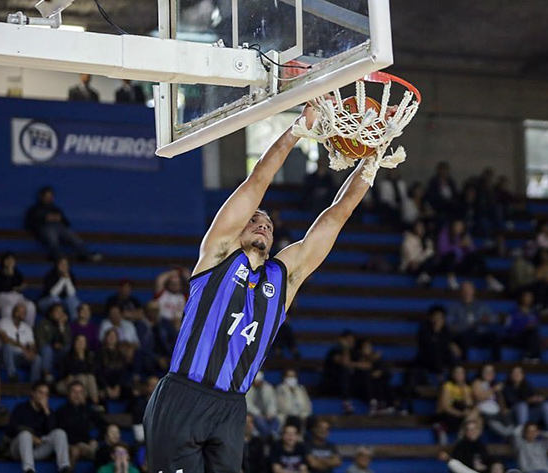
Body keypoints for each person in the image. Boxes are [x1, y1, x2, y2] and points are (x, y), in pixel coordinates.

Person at [144, 105, 376, 473]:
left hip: (232, 407)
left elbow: (338, 214)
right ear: (236, 228)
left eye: (267, 222)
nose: (262, 223)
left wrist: (372, 159)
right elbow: (257, 182)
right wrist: (298, 130)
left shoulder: (284, 279)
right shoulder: (218, 253)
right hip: (183, 395)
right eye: (253, 218)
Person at [7, 381, 71, 473]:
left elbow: (52, 430)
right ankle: (29, 470)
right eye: (40, 392)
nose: (43, 396)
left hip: (38, 448)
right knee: (25, 435)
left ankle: (64, 467)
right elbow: (11, 429)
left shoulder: (48, 411)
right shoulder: (21, 408)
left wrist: (46, 411)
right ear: (33, 393)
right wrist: (32, 438)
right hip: (19, 448)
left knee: (60, 433)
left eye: (46, 394)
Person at [25, 186, 102, 262]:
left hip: (59, 228)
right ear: (41, 196)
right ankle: (58, 257)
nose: (49, 198)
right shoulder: (34, 209)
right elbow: (29, 224)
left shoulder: (55, 208)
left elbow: (67, 223)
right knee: (52, 238)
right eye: (47, 196)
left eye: (50, 196)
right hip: (45, 229)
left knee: (74, 238)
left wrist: (59, 219)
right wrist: (45, 219)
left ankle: (86, 255)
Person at [436, 220, 504, 292]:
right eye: (457, 225)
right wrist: (458, 245)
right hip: (447, 264)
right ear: (452, 226)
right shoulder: (445, 234)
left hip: (461, 265)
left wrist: (469, 246)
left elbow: (472, 252)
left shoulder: (465, 235)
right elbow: (443, 251)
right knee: (451, 255)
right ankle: (451, 280)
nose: (459, 228)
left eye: (461, 226)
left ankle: (490, 280)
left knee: (477, 255)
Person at [446, 282, 502, 361]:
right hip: (464, 333)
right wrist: (457, 327)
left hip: (481, 334)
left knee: (495, 337)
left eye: (469, 289)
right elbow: (449, 323)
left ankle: (497, 364)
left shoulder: (481, 305)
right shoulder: (454, 307)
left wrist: (488, 319)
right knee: (463, 339)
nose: (467, 292)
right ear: (461, 292)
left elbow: (495, 318)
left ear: (473, 291)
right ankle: (464, 365)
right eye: (464, 290)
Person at [56, 380, 106, 466]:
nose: (77, 395)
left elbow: (103, 425)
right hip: (68, 445)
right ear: (68, 394)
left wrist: (96, 440)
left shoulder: (87, 410)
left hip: (85, 445)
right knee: (75, 451)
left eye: (80, 392)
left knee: (104, 452)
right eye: (74, 392)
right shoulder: (61, 412)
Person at [502, 366, 548, 434]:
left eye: (519, 372)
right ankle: (523, 436)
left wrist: (538, 399)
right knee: (522, 406)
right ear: (510, 375)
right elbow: (511, 402)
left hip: (529, 414)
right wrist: (528, 400)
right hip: (513, 415)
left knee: (546, 405)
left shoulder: (527, 385)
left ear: (523, 375)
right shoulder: (506, 386)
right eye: (514, 372)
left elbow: (536, 396)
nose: (517, 374)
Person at [0, 303, 42, 382]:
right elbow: (4, 339)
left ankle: (34, 383)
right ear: (13, 312)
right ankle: (12, 375)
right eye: (19, 311)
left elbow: (32, 344)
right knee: (8, 347)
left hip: (19, 356)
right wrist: (23, 348)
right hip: (1, 355)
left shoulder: (27, 327)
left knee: (37, 358)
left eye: (23, 312)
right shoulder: (3, 322)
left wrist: (31, 352)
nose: (21, 314)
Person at [413, 305, 459, 384]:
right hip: (426, 357)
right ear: (431, 318)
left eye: (440, 317)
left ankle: (455, 378)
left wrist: (452, 345)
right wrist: (436, 333)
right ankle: (440, 374)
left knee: (451, 355)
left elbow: (447, 343)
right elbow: (425, 345)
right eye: (436, 316)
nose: (438, 319)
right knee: (435, 350)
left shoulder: (445, 329)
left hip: (442, 357)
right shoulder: (425, 328)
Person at [436, 366, 479, 445]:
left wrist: (464, 391)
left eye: (462, 372)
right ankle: (461, 439)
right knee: (470, 419)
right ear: (452, 374)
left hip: (463, 414)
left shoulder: (468, 387)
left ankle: (463, 439)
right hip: (450, 414)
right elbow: (445, 407)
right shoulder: (448, 386)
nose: (459, 375)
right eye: (457, 372)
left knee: (476, 414)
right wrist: (460, 414)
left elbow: (469, 405)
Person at [0, 252, 37, 326]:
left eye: (12, 260)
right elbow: (0, 288)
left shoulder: (18, 274)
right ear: (3, 261)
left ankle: (28, 330)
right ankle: (9, 330)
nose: (10, 262)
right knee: (8, 309)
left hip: (16, 297)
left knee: (31, 306)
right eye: (8, 260)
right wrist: (9, 277)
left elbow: (20, 287)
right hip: (1, 297)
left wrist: (19, 287)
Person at [471, 364, 513, 439]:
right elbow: (478, 397)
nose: (489, 373)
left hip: (497, 412)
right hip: (485, 414)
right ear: (481, 373)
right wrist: (493, 390)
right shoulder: (477, 382)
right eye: (486, 371)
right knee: (506, 432)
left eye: (491, 371)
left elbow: (501, 403)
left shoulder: (495, 384)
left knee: (510, 423)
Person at [57, 334, 100, 406]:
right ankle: (82, 403)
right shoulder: (68, 356)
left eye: (83, 342)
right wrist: (80, 359)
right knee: (82, 378)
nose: (81, 344)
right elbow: (67, 372)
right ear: (74, 343)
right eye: (78, 341)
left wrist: (82, 358)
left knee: (90, 377)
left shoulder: (89, 357)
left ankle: (95, 402)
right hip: (65, 383)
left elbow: (91, 371)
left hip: (84, 383)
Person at [322, 330, 357, 414]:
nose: (351, 342)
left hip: (352, 384)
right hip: (333, 384)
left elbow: (367, 365)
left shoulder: (355, 352)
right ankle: (346, 402)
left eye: (352, 340)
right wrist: (345, 348)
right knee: (344, 372)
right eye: (348, 339)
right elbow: (345, 363)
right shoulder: (335, 351)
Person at [355, 339, 394, 415]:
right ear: (360, 349)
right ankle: (375, 403)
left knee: (381, 379)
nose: (368, 349)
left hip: (376, 385)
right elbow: (364, 366)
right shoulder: (356, 357)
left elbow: (386, 370)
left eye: (370, 347)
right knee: (368, 377)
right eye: (366, 347)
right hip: (360, 387)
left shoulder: (376, 360)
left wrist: (380, 371)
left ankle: (384, 404)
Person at [35, 303, 72, 383]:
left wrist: (61, 327)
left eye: (61, 312)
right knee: (47, 349)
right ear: (51, 313)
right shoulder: (43, 323)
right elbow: (39, 340)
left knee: (67, 348)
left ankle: (65, 376)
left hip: (58, 353)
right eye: (57, 311)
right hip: (45, 351)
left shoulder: (65, 325)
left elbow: (67, 342)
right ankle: (46, 374)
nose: (59, 314)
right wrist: (52, 346)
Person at [505, 290, 542, 361]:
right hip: (516, 337)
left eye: (530, 297)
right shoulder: (514, 312)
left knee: (533, 332)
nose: (528, 299)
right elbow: (508, 327)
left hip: (530, 337)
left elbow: (535, 326)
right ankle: (531, 355)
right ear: (522, 298)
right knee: (530, 332)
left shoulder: (534, 313)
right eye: (527, 296)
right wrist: (524, 327)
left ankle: (532, 356)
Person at [97, 328, 132, 400]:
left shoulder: (121, 355)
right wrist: (106, 387)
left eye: (114, 336)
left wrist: (118, 386)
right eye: (109, 336)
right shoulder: (100, 354)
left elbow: (123, 372)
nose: (111, 338)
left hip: (118, 384)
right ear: (106, 338)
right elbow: (99, 372)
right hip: (104, 384)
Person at [399, 220, 436, 286]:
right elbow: (410, 256)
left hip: (423, 263)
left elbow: (430, 253)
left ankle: (424, 277)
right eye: (418, 227)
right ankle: (424, 277)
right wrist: (422, 257)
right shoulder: (408, 240)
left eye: (422, 228)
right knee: (417, 265)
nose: (420, 230)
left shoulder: (427, 240)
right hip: (411, 264)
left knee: (431, 261)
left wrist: (423, 257)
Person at [246, 371, 280, 439]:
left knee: (275, 420)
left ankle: (271, 434)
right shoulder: (248, 388)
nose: (257, 383)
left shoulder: (268, 387)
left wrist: (270, 413)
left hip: (267, 413)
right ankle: (268, 437)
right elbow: (248, 404)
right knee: (260, 421)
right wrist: (259, 413)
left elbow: (272, 402)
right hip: (254, 413)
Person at [131, 376, 159, 444]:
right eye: (153, 385)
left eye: (158, 385)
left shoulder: (166, 405)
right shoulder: (139, 406)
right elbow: (139, 436)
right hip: (146, 442)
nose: (156, 388)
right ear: (147, 387)